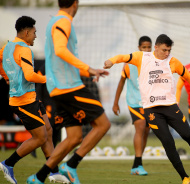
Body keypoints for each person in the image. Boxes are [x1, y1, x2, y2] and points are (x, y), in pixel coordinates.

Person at [104, 34, 190, 184]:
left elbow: (188, 76)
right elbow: (123, 57)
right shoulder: (142, 57)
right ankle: (184, 177)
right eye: (164, 50)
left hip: (171, 107)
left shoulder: (173, 61)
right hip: (152, 111)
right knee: (168, 142)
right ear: (156, 47)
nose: (167, 53)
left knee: (189, 135)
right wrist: (111, 61)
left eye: (169, 50)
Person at [27, 0, 111, 183]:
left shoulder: (53, 21)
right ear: (75, 3)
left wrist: (90, 70)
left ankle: (38, 177)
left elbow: (60, 61)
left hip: (58, 88)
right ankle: (71, 164)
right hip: (69, 87)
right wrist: (88, 69)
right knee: (103, 124)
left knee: (74, 138)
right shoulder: (63, 21)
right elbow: (60, 50)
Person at [0, 16, 69, 184]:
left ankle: (53, 171)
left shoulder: (7, 46)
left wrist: (6, 77)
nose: (35, 36)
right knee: (40, 137)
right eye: (34, 33)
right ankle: (8, 164)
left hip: (31, 98)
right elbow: (30, 75)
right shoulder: (24, 49)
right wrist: (50, 80)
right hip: (23, 101)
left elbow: (1, 61)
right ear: (26, 32)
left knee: (49, 130)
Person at [112, 36, 151, 175]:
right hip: (134, 101)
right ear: (139, 48)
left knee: (146, 131)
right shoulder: (129, 63)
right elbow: (121, 82)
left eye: (148, 47)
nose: (146, 50)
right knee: (140, 126)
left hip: (149, 102)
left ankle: (137, 162)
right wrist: (115, 103)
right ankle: (138, 164)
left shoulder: (154, 63)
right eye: (144, 47)